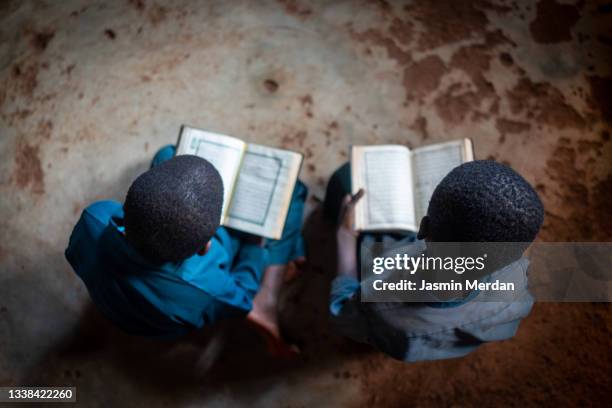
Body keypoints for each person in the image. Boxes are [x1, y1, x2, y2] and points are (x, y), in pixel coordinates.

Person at [65, 145, 306, 355]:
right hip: (173, 312)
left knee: (167, 153)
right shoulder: (206, 287)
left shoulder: (95, 218)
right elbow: (243, 295)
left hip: (117, 302)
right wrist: (255, 247)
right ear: (205, 248)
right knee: (293, 191)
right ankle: (269, 295)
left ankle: (288, 252)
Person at [324, 160, 544, 361]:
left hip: (384, 326)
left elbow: (343, 313)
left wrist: (345, 236)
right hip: (423, 341)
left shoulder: (381, 306)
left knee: (344, 180)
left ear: (423, 229)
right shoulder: (517, 291)